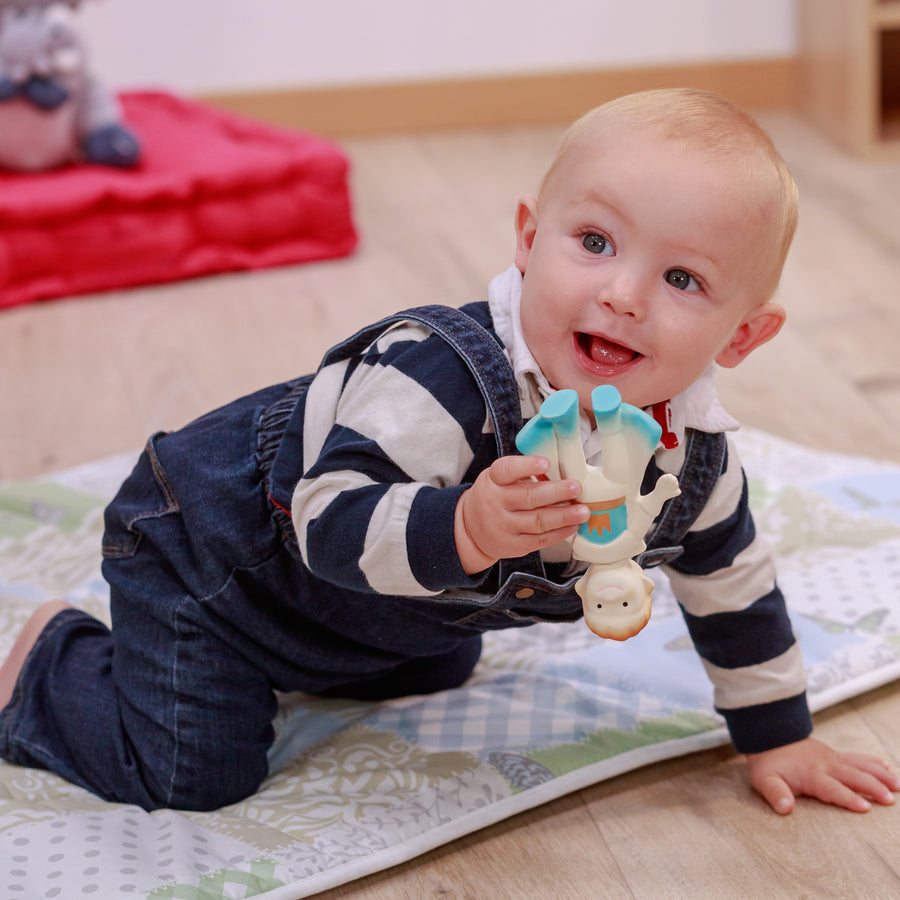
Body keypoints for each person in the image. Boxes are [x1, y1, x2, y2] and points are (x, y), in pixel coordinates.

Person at [1, 88, 897, 815]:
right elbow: (327, 519)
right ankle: (51, 664)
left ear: (742, 337)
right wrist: (464, 526)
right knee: (196, 775)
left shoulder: (688, 460)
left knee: (443, 663)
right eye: (594, 242)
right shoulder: (437, 375)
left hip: (361, 610)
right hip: (213, 556)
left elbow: (736, 591)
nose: (624, 294)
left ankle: (299, 661)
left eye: (683, 278)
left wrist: (779, 736)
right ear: (528, 239)